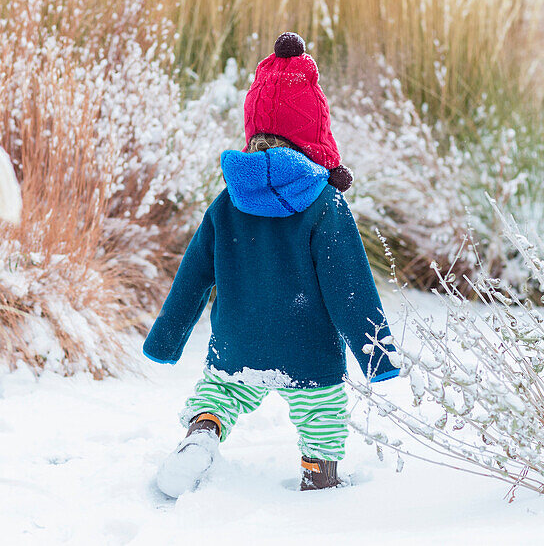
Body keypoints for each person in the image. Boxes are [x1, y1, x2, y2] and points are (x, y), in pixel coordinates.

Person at [143, 32, 400, 497]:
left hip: (236, 343)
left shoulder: (227, 202)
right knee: (322, 413)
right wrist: (376, 354)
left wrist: (166, 339)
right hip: (307, 349)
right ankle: (319, 481)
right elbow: (350, 287)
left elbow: (193, 276)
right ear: (314, 134)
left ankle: (201, 435)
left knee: (220, 394)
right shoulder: (325, 205)